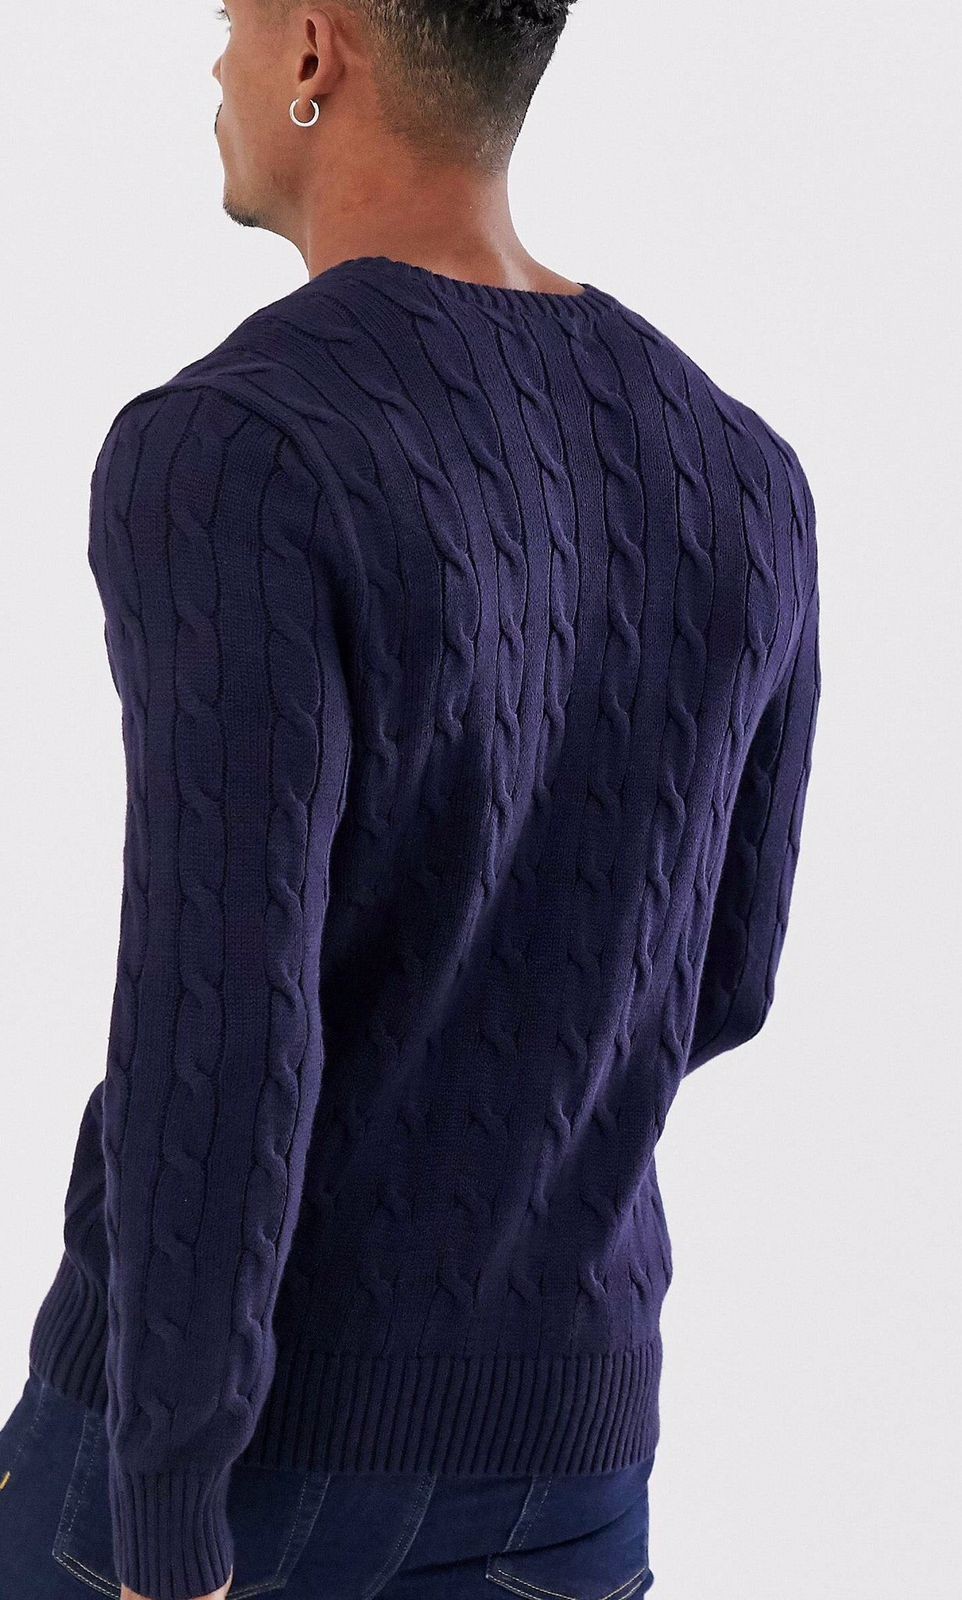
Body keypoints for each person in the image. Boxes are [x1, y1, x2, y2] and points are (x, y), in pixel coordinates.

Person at [0, 3, 822, 1598]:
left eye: (233, 15)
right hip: (568, 1469)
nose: (217, 57)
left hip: (233, 1475)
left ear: (315, 52)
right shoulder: (739, 470)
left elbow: (217, 1021)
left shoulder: (234, 449)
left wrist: (167, 1510)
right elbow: (724, 979)